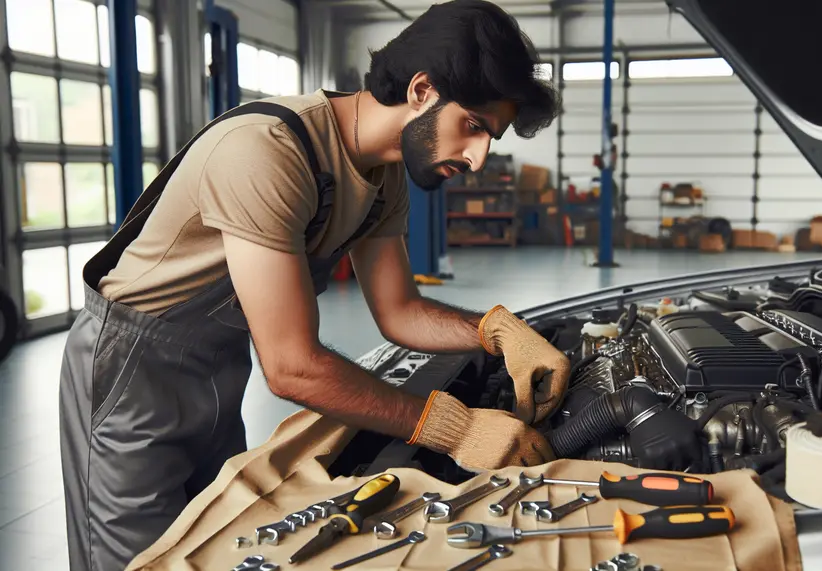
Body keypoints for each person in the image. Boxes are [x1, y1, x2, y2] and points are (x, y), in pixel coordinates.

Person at [58, 1, 567, 569]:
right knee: (134, 559)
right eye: (473, 126)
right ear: (422, 90)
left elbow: (400, 312)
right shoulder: (268, 150)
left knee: (207, 546)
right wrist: (456, 428)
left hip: (218, 370)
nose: (478, 157)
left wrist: (497, 332)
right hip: (132, 367)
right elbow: (291, 365)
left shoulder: (384, 177)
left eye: (489, 138)